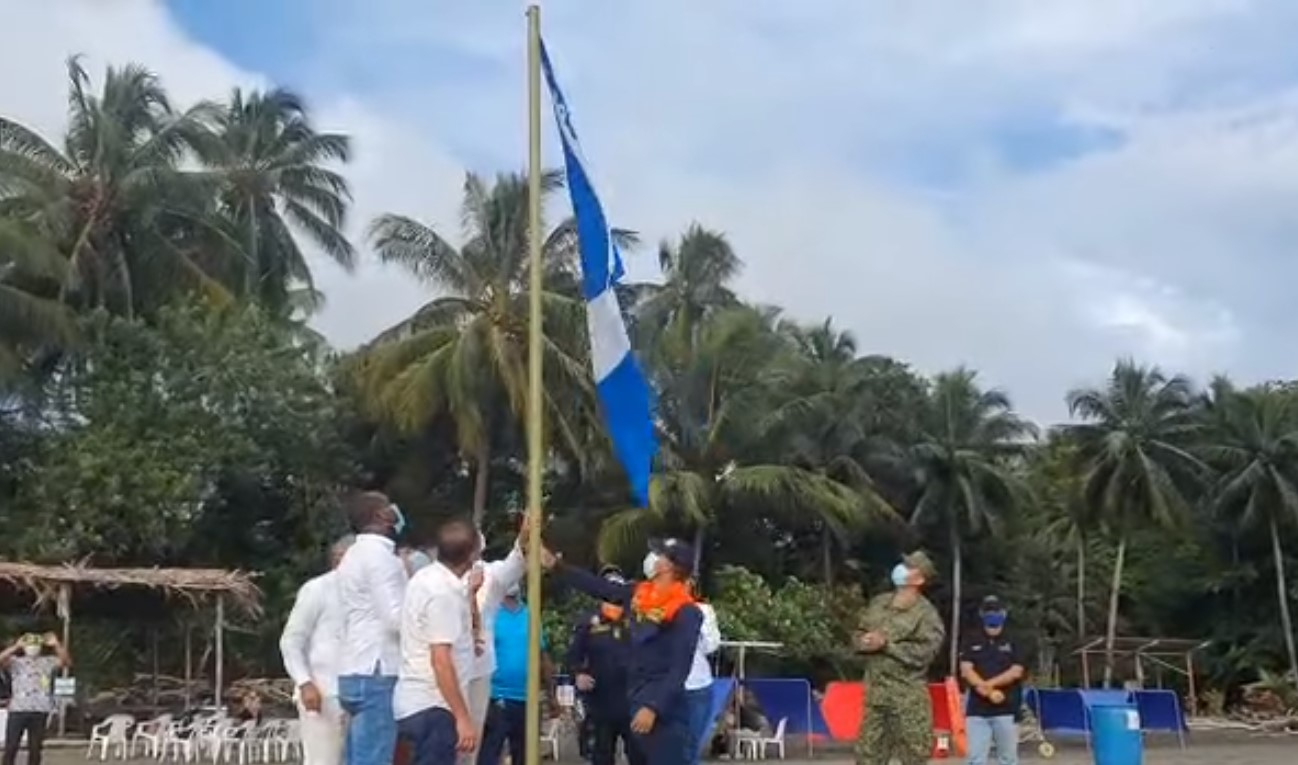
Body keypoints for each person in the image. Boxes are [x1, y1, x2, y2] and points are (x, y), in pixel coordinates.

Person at [545, 538, 703, 765]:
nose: (656, 559)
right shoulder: (639, 595)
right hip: (633, 700)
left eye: (662, 556)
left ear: (670, 567)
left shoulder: (686, 612)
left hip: (664, 713)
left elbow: (679, 669)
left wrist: (653, 707)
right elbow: (600, 588)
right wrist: (557, 566)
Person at [394, 517, 482, 765]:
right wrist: (462, 717)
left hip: (414, 702)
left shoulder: (424, 579)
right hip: (433, 706)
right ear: (471, 554)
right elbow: (441, 661)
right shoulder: (443, 594)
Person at [336, 492, 409, 765]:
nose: (396, 511)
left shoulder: (353, 555)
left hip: (353, 667)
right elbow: (394, 618)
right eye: (389, 506)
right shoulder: (381, 559)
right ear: (381, 516)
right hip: (378, 668)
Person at [853, 551, 945, 765]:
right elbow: (857, 634)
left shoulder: (926, 615)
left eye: (909, 566)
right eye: (903, 563)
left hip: (907, 700)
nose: (901, 568)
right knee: (867, 757)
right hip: (876, 697)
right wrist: (863, 642)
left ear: (920, 579)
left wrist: (887, 645)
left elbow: (925, 654)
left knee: (914, 757)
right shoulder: (879, 603)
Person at [280, 534, 356, 765]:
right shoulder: (317, 589)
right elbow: (291, 641)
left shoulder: (368, 591)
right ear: (339, 558)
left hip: (360, 691)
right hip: (322, 692)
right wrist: (305, 682)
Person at [462, 525, 526, 765]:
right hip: (441, 671)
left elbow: (516, 562)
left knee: (473, 746)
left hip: (478, 672)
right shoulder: (434, 576)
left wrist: (525, 535)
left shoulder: (490, 575)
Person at [565, 566, 643, 765]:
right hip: (601, 702)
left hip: (633, 701)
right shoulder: (588, 622)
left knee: (640, 757)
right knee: (601, 756)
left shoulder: (636, 618)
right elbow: (572, 657)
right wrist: (578, 675)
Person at [476, 582, 554, 765]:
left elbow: (543, 657)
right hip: (497, 697)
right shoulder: (490, 614)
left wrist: (552, 697)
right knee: (489, 754)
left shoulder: (530, 615)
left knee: (526, 756)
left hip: (527, 699)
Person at [960, 596, 1026, 765]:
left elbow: (1016, 671)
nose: (993, 615)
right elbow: (966, 669)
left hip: (1007, 709)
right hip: (976, 711)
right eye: (989, 611)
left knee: (1008, 759)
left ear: (1004, 613)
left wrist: (988, 685)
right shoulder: (971, 638)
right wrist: (986, 690)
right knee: (975, 759)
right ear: (982, 614)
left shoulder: (1015, 639)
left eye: (996, 611)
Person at [0, 632, 70, 765]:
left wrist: (56, 645)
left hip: (40, 709)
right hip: (18, 710)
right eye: (30, 645)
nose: (33, 648)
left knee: (35, 748)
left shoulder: (48, 661)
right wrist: (16, 646)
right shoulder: (16, 662)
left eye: (36, 645)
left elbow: (66, 662)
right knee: (11, 746)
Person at [684, 588, 721, 765]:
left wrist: (700, 622)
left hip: (697, 685)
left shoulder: (703, 610)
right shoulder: (655, 608)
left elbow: (710, 646)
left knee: (691, 744)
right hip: (664, 686)